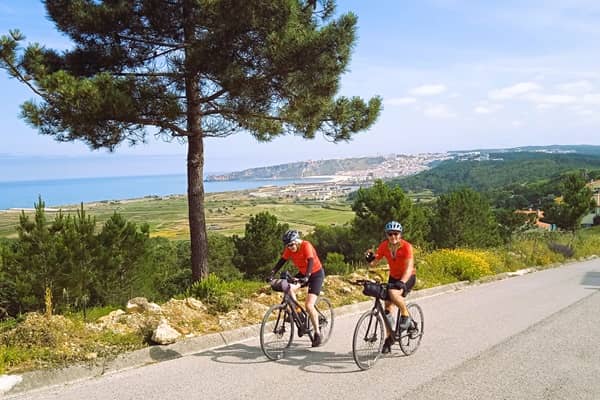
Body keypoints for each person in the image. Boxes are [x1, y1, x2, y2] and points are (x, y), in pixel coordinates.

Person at [365, 220, 416, 354]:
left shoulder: (407, 247)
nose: (393, 237)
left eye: (396, 234)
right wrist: (370, 260)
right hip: (393, 276)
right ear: (387, 235)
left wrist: (403, 282)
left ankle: (405, 315)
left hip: (408, 276)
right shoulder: (384, 246)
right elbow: (375, 262)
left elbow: (409, 267)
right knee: (387, 306)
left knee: (394, 294)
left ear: (400, 234)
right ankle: (390, 338)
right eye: (390, 234)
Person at [268, 229, 325, 347]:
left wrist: (307, 277)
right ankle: (299, 316)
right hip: (303, 274)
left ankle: (318, 334)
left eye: (292, 245)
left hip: (315, 275)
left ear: (297, 241)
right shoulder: (289, 249)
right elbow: (281, 261)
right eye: (287, 246)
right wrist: (272, 273)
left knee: (309, 305)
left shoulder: (306, 245)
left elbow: (310, 260)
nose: (290, 248)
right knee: (289, 288)